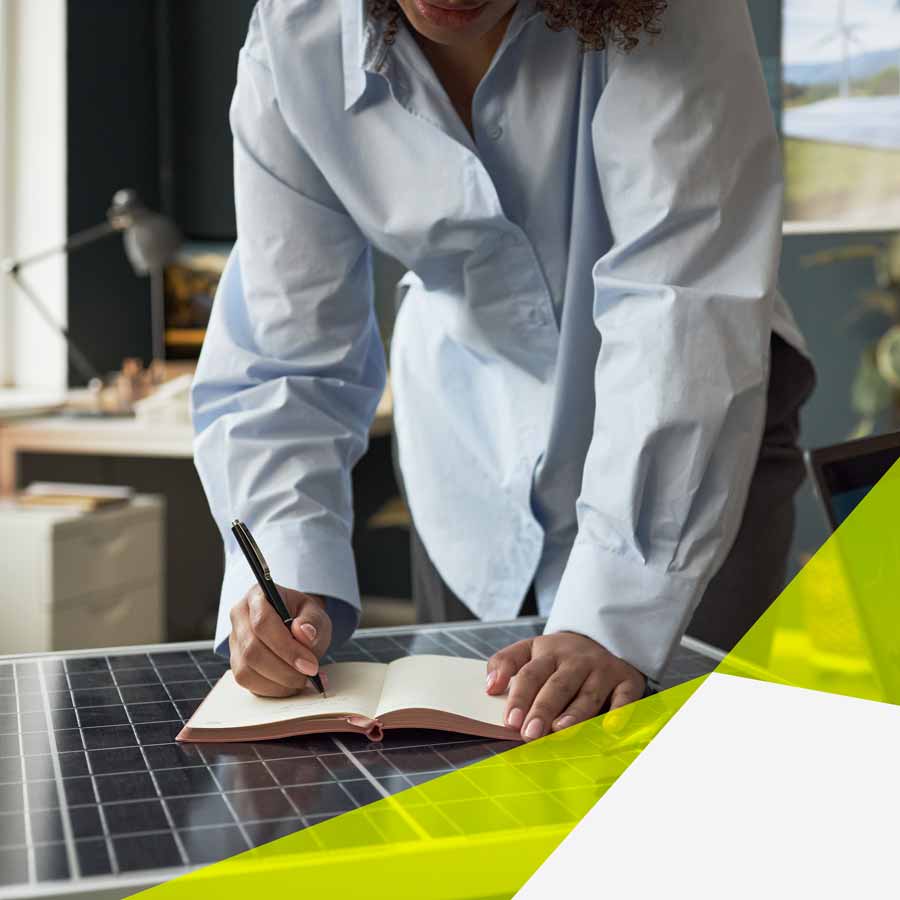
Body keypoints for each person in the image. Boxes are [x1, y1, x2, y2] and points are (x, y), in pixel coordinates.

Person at [192, 0, 816, 743]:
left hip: (697, 436)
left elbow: (682, 299)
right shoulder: (296, 31)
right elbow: (284, 345)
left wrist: (614, 609)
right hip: (469, 447)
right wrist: (285, 569)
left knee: (687, 773)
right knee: (472, 784)